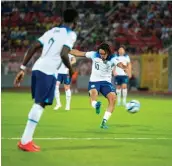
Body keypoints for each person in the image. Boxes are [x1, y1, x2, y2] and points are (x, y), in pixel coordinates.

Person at [13, 9, 78, 152]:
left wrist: (23, 68)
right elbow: (64, 54)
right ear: (75, 22)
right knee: (39, 104)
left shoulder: (52, 31)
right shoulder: (71, 34)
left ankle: (27, 140)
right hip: (47, 71)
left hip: (38, 67)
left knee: (40, 104)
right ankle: (25, 141)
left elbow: (33, 47)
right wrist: (71, 70)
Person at [69, 42, 129, 129]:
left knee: (113, 99)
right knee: (94, 95)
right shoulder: (94, 54)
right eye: (100, 53)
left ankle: (104, 122)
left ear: (107, 52)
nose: (101, 55)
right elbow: (79, 53)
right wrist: (67, 50)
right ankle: (96, 105)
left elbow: (119, 64)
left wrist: (124, 67)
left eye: (103, 54)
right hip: (94, 81)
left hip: (106, 82)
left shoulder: (112, 58)